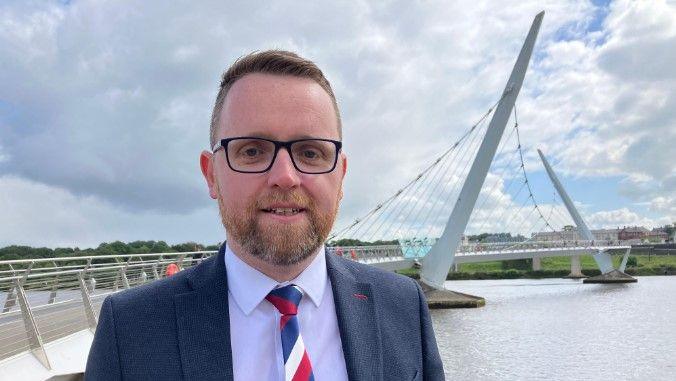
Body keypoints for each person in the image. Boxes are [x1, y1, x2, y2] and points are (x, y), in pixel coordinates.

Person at [85, 50, 444, 380]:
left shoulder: (403, 306)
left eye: (311, 153)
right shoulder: (130, 329)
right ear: (211, 174)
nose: (285, 177)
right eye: (253, 151)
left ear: (341, 175)